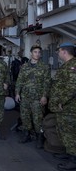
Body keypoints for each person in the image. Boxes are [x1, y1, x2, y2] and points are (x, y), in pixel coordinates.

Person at [15, 44, 50, 148]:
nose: (37, 54)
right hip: (25, 96)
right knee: (25, 117)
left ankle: (40, 137)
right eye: (35, 52)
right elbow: (19, 81)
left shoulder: (44, 67)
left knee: (38, 119)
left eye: (39, 52)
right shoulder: (24, 66)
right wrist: (17, 93)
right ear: (31, 53)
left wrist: (44, 96)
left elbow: (47, 83)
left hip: (37, 98)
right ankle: (26, 135)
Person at [48, 42, 76, 171]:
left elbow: (72, 88)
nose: (58, 53)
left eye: (59, 51)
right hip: (64, 108)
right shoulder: (66, 65)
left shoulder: (72, 66)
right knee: (64, 131)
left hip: (69, 108)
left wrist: (61, 102)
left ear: (64, 51)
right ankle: (68, 153)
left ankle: (73, 160)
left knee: (70, 133)